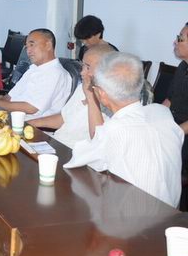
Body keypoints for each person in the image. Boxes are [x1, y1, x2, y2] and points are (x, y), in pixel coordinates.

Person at [65, 52, 183, 208]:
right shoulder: (162, 112)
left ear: (101, 93)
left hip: (135, 219)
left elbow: (76, 160)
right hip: (172, 213)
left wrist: (89, 96)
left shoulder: (114, 130)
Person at [29, 44, 115, 148]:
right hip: (57, 142)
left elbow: (98, 139)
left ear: (106, 70)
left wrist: (90, 96)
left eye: (88, 67)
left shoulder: (112, 100)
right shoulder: (83, 87)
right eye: (83, 65)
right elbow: (64, 118)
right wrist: (31, 123)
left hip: (75, 152)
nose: (82, 72)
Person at [0, 29, 72, 119]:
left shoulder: (55, 73)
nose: (28, 51)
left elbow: (31, 108)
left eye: (32, 45)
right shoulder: (34, 68)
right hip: (11, 116)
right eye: (27, 47)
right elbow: (10, 96)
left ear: (48, 45)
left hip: (30, 123)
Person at [163, 22, 188, 211]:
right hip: (175, 125)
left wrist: (174, 133)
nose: (175, 42)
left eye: (180, 39)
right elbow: (169, 100)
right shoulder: (183, 66)